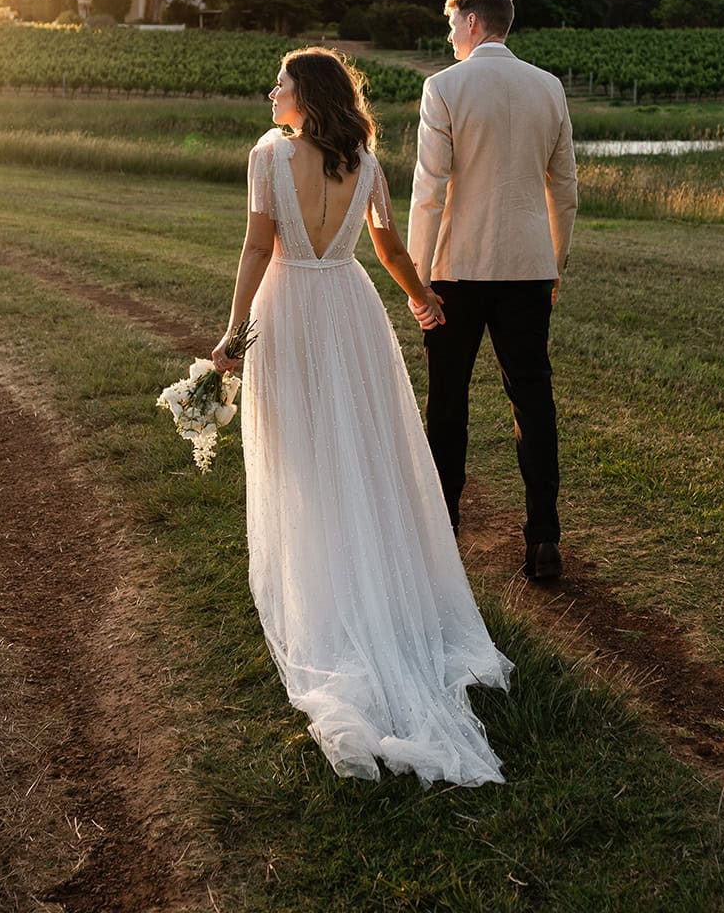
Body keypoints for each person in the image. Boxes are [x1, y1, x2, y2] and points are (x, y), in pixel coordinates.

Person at [211, 47, 512, 786]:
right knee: (359, 452)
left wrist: (232, 330)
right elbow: (386, 245)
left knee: (303, 455)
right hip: (348, 307)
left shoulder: (269, 158)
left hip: (290, 304)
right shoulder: (368, 165)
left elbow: (258, 245)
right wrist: (421, 295)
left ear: (305, 93)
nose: (270, 91)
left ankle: (327, 592)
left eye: (279, 82)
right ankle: (367, 577)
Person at [407, 0, 578, 581]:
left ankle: (442, 535)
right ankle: (544, 539)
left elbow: (429, 191)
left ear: (474, 23)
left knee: (447, 403)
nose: (449, 35)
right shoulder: (549, 88)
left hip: (457, 270)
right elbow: (565, 189)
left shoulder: (444, 88)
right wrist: (554, 261)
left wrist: (416, 279)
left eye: (453, 24)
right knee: (533, 400)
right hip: (530, 270)